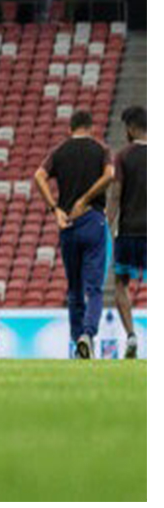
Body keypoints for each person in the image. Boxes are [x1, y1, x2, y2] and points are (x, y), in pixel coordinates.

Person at [34, 110, 113, 360]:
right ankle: (87, 336)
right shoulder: (101, 150)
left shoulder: (60, 151)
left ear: (70, 128)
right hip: (91, 219)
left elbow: (39, 175)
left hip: (67, 223)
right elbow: (110, 175)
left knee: (74, 288)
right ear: (91, 128)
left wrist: (54, 208)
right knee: (95, 288)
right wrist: (87, 198)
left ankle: (77, 342)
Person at [110, 105, 146, 359]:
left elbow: (115, 196)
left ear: (132, 128)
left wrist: (106, 224)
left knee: (120, 284)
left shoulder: (123, 156)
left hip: (129, 231)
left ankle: (131, 335)